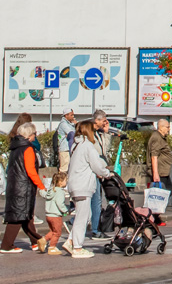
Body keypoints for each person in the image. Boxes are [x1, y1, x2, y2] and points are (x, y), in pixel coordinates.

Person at [0, 121, 44, 254]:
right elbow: (31, 170)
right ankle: (7, 245)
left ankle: (36, 242)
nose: (35, 136)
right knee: (18, 216)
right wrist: (41, 185)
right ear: (29, 135)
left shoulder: (15, 147)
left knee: (26, 215)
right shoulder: (28, 148)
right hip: (24, 186)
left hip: (15, 184)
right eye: (34, 133)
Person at [66, 121, 108, 258]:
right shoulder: (87, 146)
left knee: (86, 215)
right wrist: (107, 173)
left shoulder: (76, 145)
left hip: (75, 184)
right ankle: (77, 248)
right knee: (82, 217)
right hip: (82, 186)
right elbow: (97, 165)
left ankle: (70, 241)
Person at [87, 110, 112, 239]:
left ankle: (94, 227)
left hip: (99, 169)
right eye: (103, 120)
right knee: (95, 201)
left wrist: (106, 133)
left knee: (96, 200)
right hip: (93, 171)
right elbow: (93, 154)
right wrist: (97, 169)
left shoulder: (99, 133)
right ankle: (95, 230)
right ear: (96, 120)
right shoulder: (90, 133)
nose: (105, 122)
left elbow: (104, 150)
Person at [147, 119, 172, 226]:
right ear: (161, 127)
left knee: (165, 193)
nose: (169, 129)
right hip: (160, 172)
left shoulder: (161, 138)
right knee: (159, 195)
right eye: (167, 127)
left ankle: (155, 217)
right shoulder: (157, 138)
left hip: (164, 171)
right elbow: (154, 156)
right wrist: (155, 173)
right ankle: (153, 218)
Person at [41, 171, 71, 255]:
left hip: (48, 215)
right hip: (56, 216)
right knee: (57, 232)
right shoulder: (60, 192)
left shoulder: (51, 190)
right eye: (65, 180)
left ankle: (43, 240)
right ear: (60, 182)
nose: (66, 182)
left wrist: (41, 190)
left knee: (53, 231)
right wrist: (65, 211)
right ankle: (52, 247)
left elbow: (44, 194)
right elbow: (60, 203)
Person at [55, 109, 76, 174]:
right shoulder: (63, 124)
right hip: (65, 149)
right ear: (66, 115)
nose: (73, 116)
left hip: (69, 148)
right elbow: (71, 133)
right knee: (64, 169)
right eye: (71, 115)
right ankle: (61, 180)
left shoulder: (70, 124)